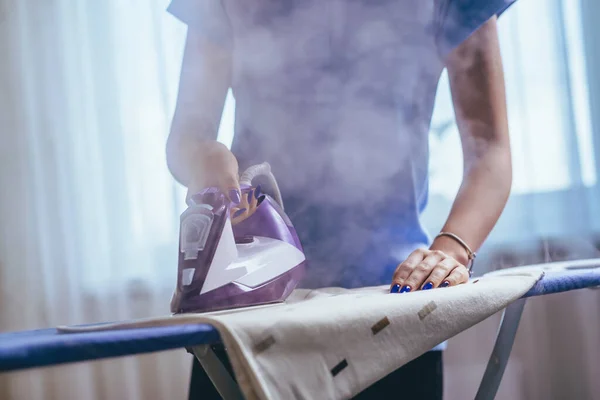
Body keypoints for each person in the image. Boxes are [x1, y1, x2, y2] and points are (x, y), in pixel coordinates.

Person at [165, 1, 514, 398]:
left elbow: (490, 154)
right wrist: (204, 158)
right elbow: (185, 137)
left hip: (392, 311)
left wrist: (451, 249)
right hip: (247, 312)